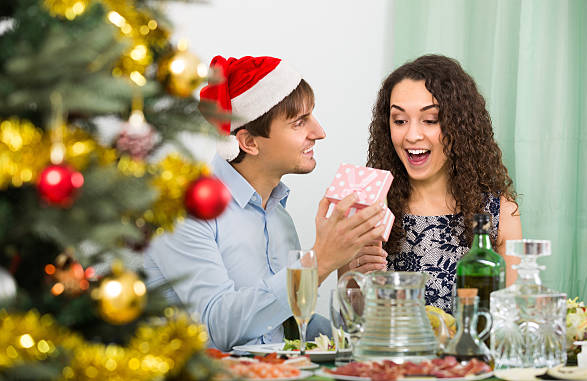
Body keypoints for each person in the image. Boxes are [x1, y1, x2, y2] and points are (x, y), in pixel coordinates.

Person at [144, 55, 387, 351]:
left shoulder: (277, 216)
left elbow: (288, 330)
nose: (319, 132)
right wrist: (317, 262)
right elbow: (218, 327)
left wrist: (349, 282)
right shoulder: (185, 210)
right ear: (249, 142)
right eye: (299, 122)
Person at [340, 55, 522, 313]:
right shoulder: (366, 209)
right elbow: (349, 321)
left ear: (460, 126)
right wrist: (353, 276)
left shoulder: (500, 213)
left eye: (430, 120)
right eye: (400, 121)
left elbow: (509, 322)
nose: (412, 135)